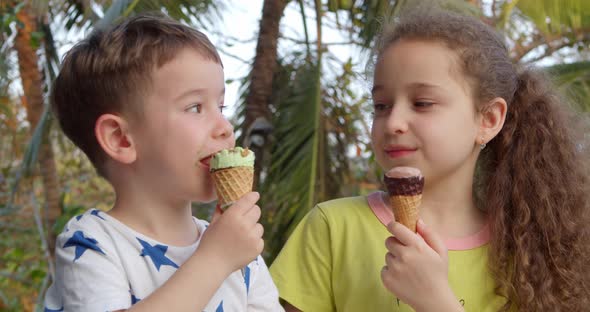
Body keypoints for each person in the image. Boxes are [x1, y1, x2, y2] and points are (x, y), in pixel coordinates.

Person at [269, 8, 590, 312]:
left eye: (422, 103)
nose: (393, 121)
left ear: (488, 119)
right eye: (381, 105)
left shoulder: (533, 255)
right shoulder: (331, 228)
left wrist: (436, 302)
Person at [43, 12, 283, 312]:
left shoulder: (240, 250)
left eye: (221, 106)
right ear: (120, 139)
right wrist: (216, 259)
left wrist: (225, 253)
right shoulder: (92, 243)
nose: (226, 126)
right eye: (195, 107)